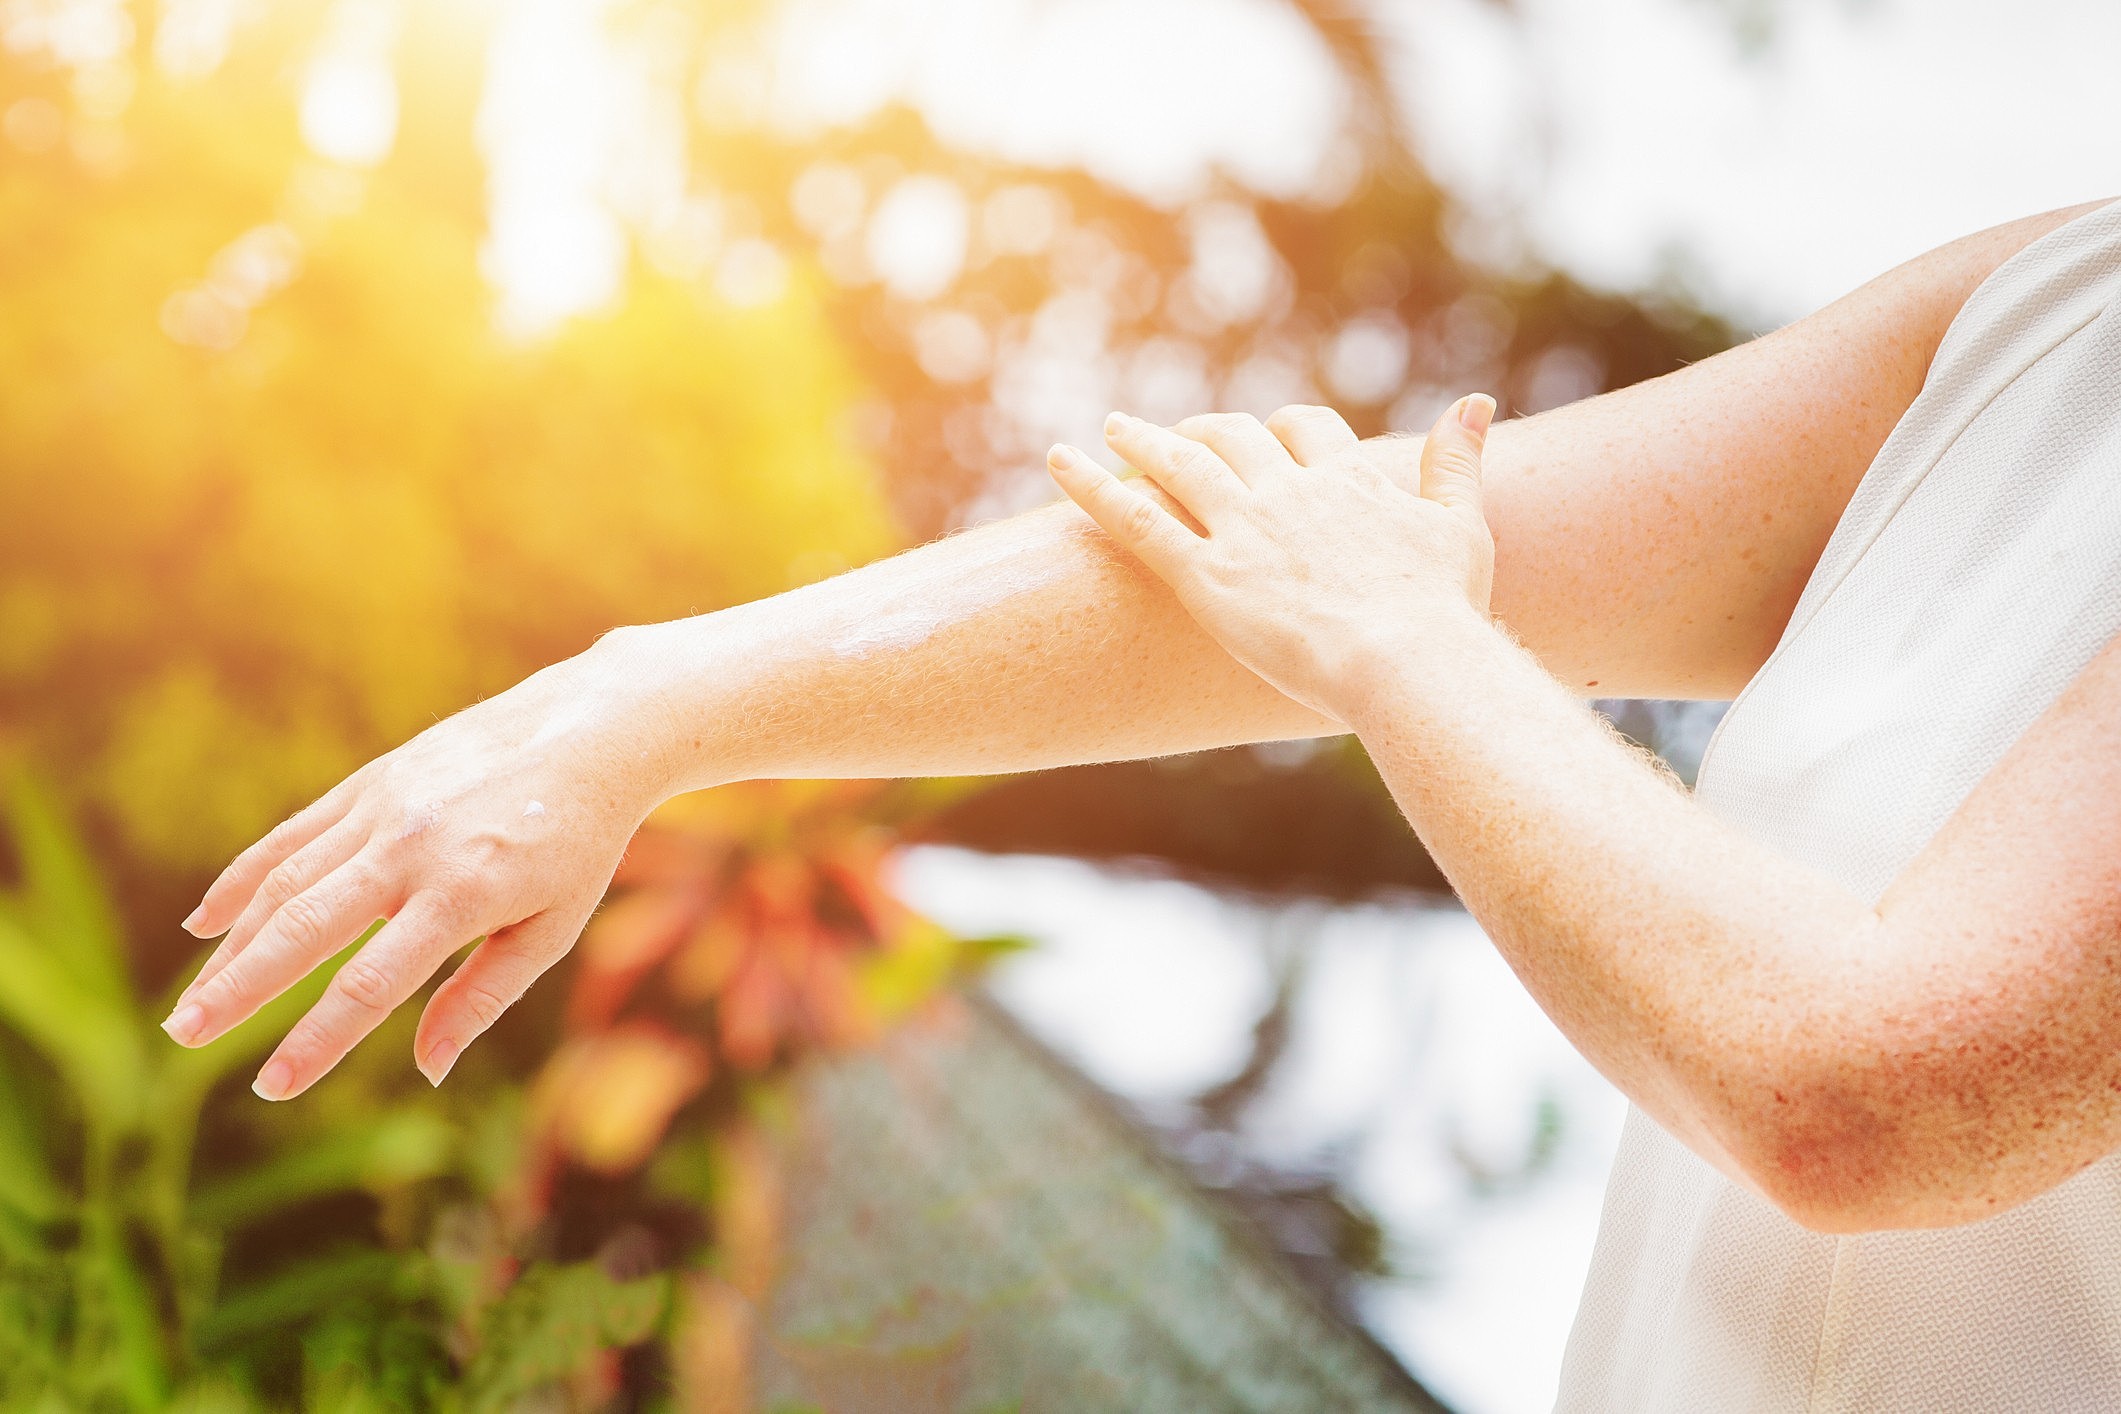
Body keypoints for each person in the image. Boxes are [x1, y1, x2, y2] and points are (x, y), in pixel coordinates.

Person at [165, 195, 2120, 1409]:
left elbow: (1865, 1091)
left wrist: (1400, 652)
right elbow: (1298, 545)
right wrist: (633, 702)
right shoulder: (2054, 307)